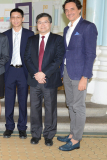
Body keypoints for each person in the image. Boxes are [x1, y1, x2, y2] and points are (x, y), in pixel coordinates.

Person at [57, 0, 97, 151]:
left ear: (79, 9)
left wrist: (85, 77)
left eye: (72, 9)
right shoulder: (67, 29)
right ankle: (72, 133)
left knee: (78, 106)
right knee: (70, 104)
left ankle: (76, 140)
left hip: (80, 73)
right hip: (67, 72)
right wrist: (62, 71)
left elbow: (90, 54)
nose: (69, 12)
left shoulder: (88, 27)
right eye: (66, 10)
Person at [24, 13, 65, 146]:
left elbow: (58, 58)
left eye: (45, 22)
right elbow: (27, 58)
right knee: (34, 108)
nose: (42, 24)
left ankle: (49, 135)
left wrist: (44, 74)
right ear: (37, 25)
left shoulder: (57, 39)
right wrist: (36, 74)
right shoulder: (31, 39)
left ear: (50, 24)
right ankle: (35, 134)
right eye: (40, 22)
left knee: (50, 108)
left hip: (50, 80)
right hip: (34, 79)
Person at [3, 8, 34, 139]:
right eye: (13, 17)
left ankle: (22, 128)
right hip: (9, 71)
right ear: (10, 19)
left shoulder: (30, 34)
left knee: (23, 100)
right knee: (9, 101)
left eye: (18, 17)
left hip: (23, 71)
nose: (15, 20)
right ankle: (9, 127)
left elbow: (33, 54)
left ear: (22, 19)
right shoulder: (4, 35)